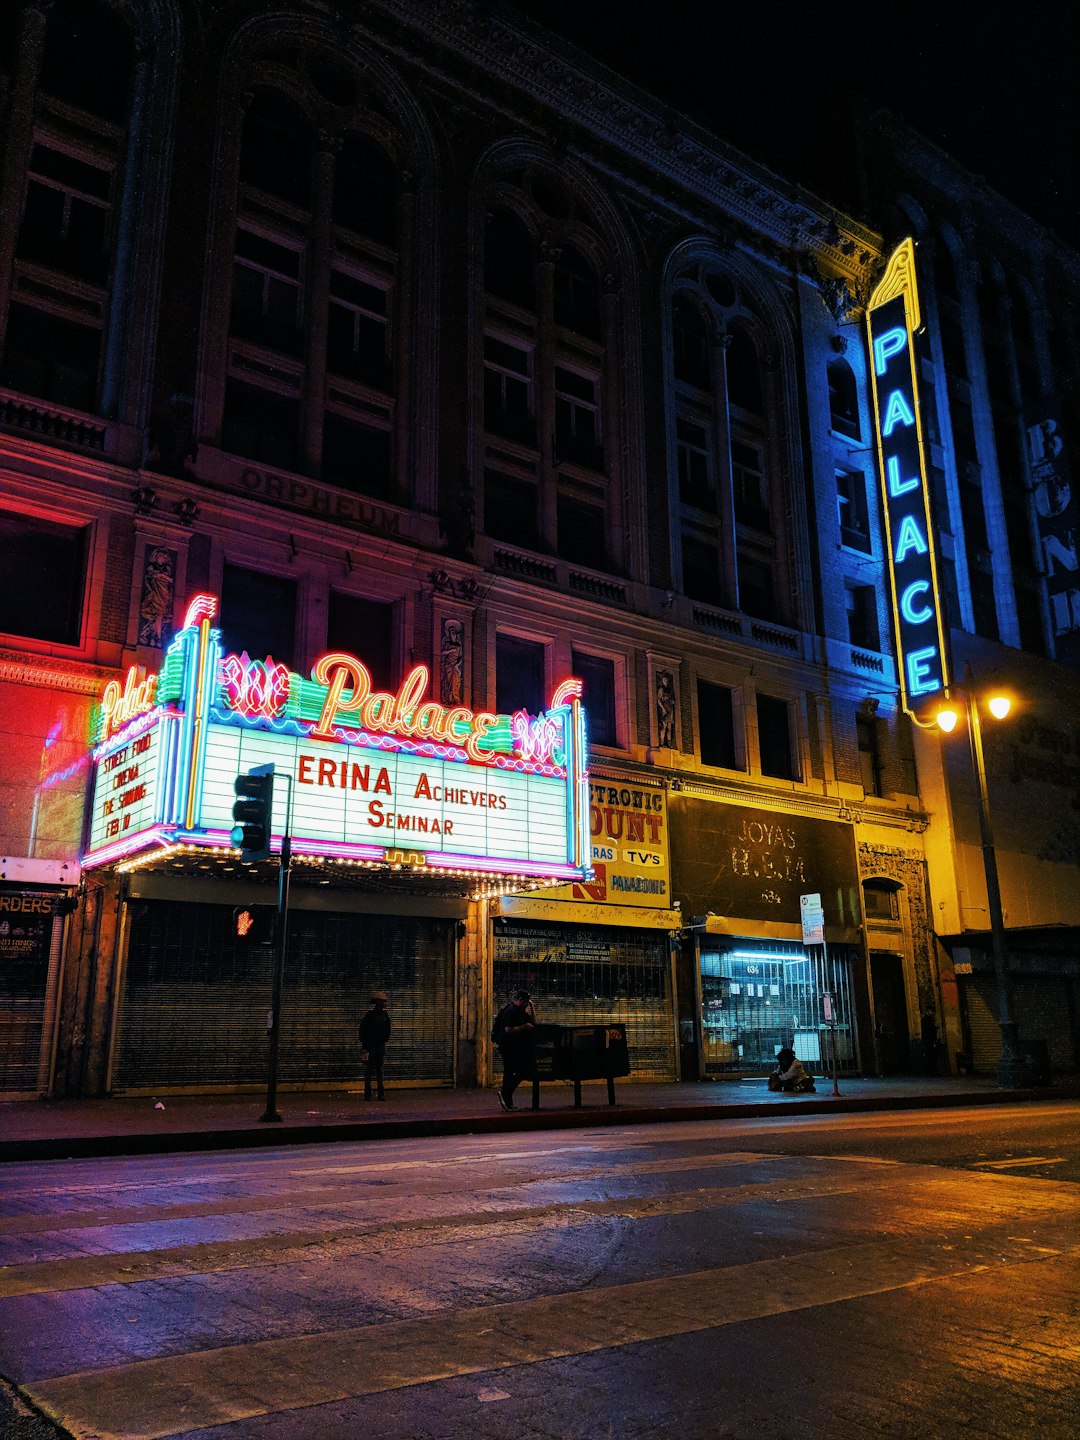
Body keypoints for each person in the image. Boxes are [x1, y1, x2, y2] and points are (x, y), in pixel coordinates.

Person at [491, 989, 536, 1111]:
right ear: (520, 1000)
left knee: (509, 1073)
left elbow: (533, 1022)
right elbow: (508, 1029)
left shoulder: (517, 1010)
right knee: (522, 1071)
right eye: (526, 1002)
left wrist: (531, 1006)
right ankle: (506, 1094)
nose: (527, 1004)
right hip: (509, 1048)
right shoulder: (512, 1011)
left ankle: (507, 1101)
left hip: (510, 1047)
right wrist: (524, 1027)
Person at [359, 990, 391, 1100]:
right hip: (372, 1047)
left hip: (376, 1046)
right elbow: (363, 1031)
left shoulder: (380, 1015)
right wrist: (365, 1046)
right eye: (381, 1002)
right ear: (376, 1002)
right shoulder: (373, 1016)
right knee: (372, 1071)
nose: (382, 1004)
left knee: (375, 1071)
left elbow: (387, 1030)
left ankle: (375, 1094)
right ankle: (372, 1094)